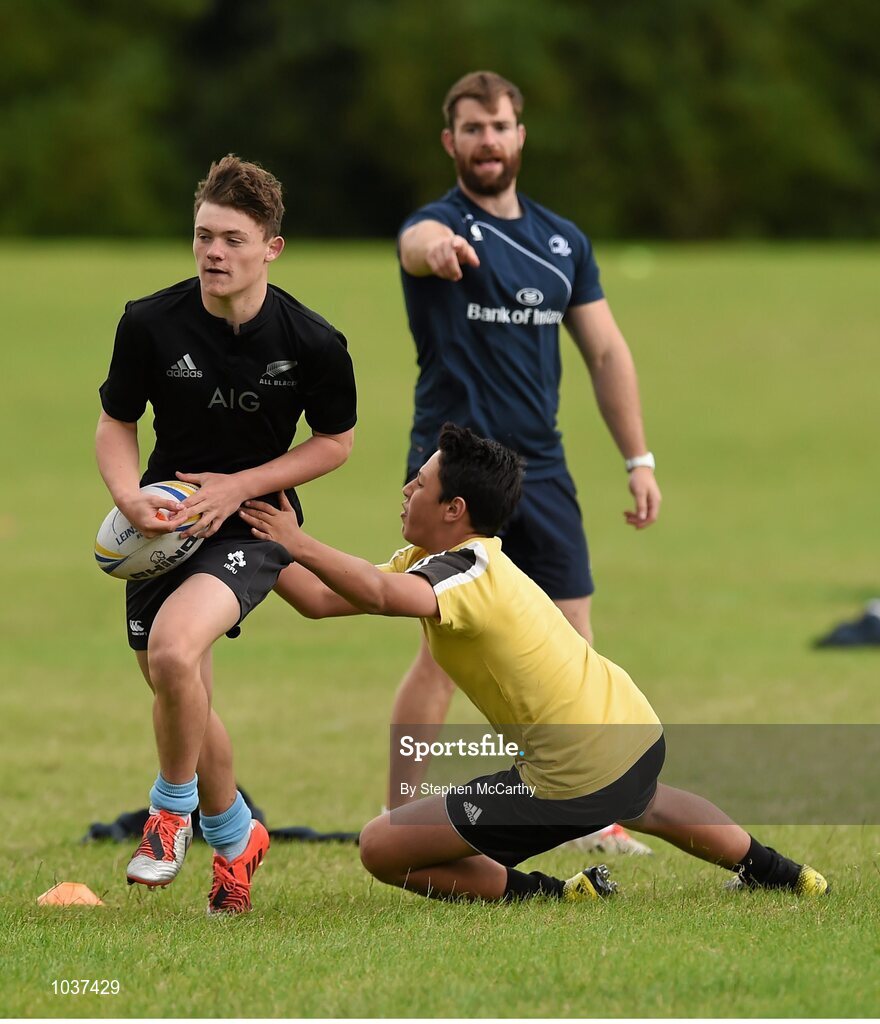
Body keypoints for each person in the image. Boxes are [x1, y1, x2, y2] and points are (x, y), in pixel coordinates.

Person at [240, 424, 828, 903]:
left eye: (418, 485)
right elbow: (320, 600)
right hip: (631, 731)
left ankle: (552, 895)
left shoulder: (464, 574)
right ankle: (781, 873)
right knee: (648, 801)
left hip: (573, 777)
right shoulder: (446, 559)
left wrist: (300, 542)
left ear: (455, 508)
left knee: (381, 847)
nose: (405, 493)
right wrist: (259, 538)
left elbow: (379, 595)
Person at [390, 71, 662, 854]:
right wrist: (435, 248)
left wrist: (637, 456)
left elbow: (606, 350)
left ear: (520, 135)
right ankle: (397, 815)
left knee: (572, 648)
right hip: (457, 475)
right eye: (471, 129)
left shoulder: (562, 242)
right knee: (441, 653)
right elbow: (413, 246)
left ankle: (589, 813)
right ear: (451, 142)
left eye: (500, 126)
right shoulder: (437, 227)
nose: (487, 141)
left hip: (540, 467)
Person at [96, 154, 357, 914]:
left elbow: (335, 442)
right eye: (204, 235)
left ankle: (170, 814)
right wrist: (128, 496)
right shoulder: (150, 321)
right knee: (182, 691)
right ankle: (238, 837)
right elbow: (117, 421)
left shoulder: (313, 342)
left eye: (233, 240)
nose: (214, 252)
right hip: (167, 524)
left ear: (271, 247)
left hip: (255, 522)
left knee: (177, 651)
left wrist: (244, 485)